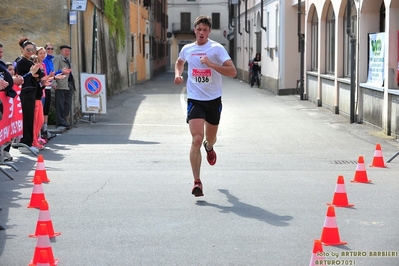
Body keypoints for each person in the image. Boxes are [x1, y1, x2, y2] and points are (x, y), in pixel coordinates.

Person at [174, 15, 237, 197]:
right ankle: (197, 182)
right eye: (199, 29)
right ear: (195, 30)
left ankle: (209, 147)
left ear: (209, 31)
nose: (201, 32)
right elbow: (179, 62)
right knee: (196, 139)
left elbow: (232, 72)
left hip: (213, 100)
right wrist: (178, 74)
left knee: (210, 138)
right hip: (195, 99)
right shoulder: (188, 49)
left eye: (205, 29)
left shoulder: (216, 49)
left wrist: (211, 64)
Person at [15, 38, 43, 154]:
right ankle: (25, 143)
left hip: (31, 92)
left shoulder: (29, 62)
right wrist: (37, 74)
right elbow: (39, 73)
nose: (30, 51)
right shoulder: (22, 62)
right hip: (26, 92)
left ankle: (28, 142)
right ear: (22, 50)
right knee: (27, 118)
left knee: (30, 118)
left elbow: (40, 74)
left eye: (32, 49)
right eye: (28, 49)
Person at [42, 42, 69, 138]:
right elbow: (46, 75)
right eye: (48, 48)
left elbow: (52, 74)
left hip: (48, 87)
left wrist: (61, 71)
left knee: (46, 110)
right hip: (43, 88)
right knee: (41, 110)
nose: (50, 50)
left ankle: (45, 130)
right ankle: (41, 132)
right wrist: (54, 81)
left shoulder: (50, 60)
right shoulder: (43, 61)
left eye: (52, 49)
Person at [52, 45, 75, 129]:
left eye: (68, 51)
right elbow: (54, 71)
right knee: (60, 104)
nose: (67, 52)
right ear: (61, 51)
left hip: (68, 84)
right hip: (61, 84)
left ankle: (64, 119)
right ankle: (60, 121)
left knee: (67, 103)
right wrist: (54, 83)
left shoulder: (67, 60)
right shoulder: (58, 59)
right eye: (65, 50)